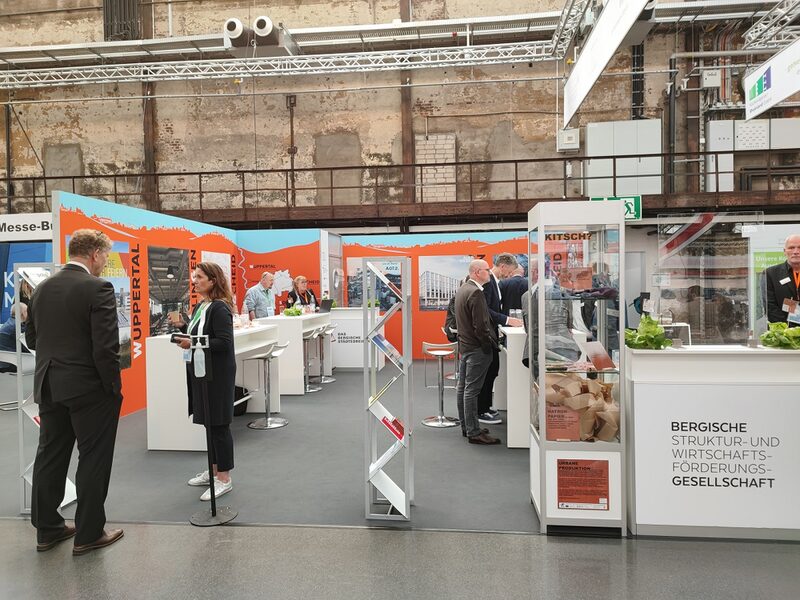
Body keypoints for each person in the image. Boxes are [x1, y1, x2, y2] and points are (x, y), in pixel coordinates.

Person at [26, 229, 124, 555]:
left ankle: (47, 529)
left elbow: (31, 339)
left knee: (50, 456)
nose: (104, 264)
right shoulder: (98, 288)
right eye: (105, 257)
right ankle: (89, 533)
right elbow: (106, 348)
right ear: (94, 254)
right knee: (94, 457)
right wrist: (113, 387)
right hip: (89, 389)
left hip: (49, 385)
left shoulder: (42, 288)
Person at [171, 262, 237, 501]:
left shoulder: (220, 308)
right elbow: (199, 331)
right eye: (194, 277)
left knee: (219, 424)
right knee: (209, 422)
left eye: (199, 277)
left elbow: (224, 342)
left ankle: (224, 478)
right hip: (201, 372)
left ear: (213, 280)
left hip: (217, 374)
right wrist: (183, 328)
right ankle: (213, 471)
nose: (195, 281)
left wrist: (194, 343)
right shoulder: (201, 305)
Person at [455, 260, 500, 445]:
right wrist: (487, 346)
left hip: (466, 347)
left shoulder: (463, 289)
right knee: (471, 390)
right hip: (476, 349)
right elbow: (480, 326)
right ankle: (473, 432)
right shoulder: (475, 292)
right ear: (476, 272)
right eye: (486, 270)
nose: (489, 272)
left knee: (464, 388)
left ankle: (468, 427)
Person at [478, 253, 523, 425]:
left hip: (492, 333)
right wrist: (507, 320)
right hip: (486, 335)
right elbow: (486, 310)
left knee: (492, 370)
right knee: (488, 372)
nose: (510, 275)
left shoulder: (495, 283)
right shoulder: (489, 283)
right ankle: (481, 410)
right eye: (510, 272)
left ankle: (486, 406)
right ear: (503, 266)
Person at [763, 234, 800, 327]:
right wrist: (789, 329)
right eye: (791, 248)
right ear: (785, 251)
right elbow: (770, 306)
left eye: (799, 247)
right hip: (782, 333)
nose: (796, 251)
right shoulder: (770, 273)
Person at [0, 302, 30, 372]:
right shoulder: (17, 327)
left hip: (4, 360)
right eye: (26, 311)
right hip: (10, 363)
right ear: (22, 314)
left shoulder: (10, 322)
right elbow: (28, 347)